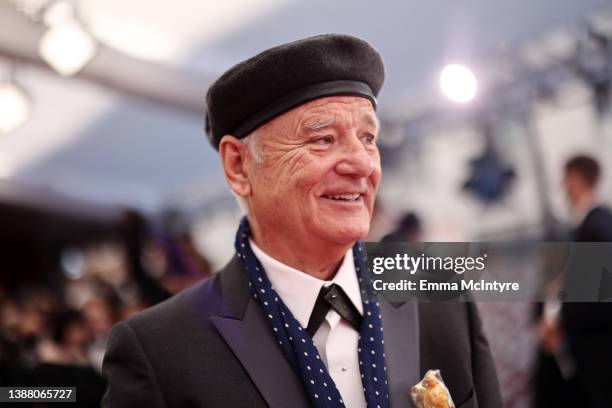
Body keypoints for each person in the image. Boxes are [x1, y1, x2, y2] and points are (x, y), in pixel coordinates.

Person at [102, 34, 501, 408]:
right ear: (239, 165)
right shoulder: (161, 351)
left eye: (367, 138)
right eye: (323, 139)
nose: (363, 163)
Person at [560, 155, 612, 407]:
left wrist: (560, 322)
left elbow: (597, 299)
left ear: (576, 180)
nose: (562, 186)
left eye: (565, 179)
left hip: (601, 350)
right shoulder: (590, 225)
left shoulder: (595, 228)